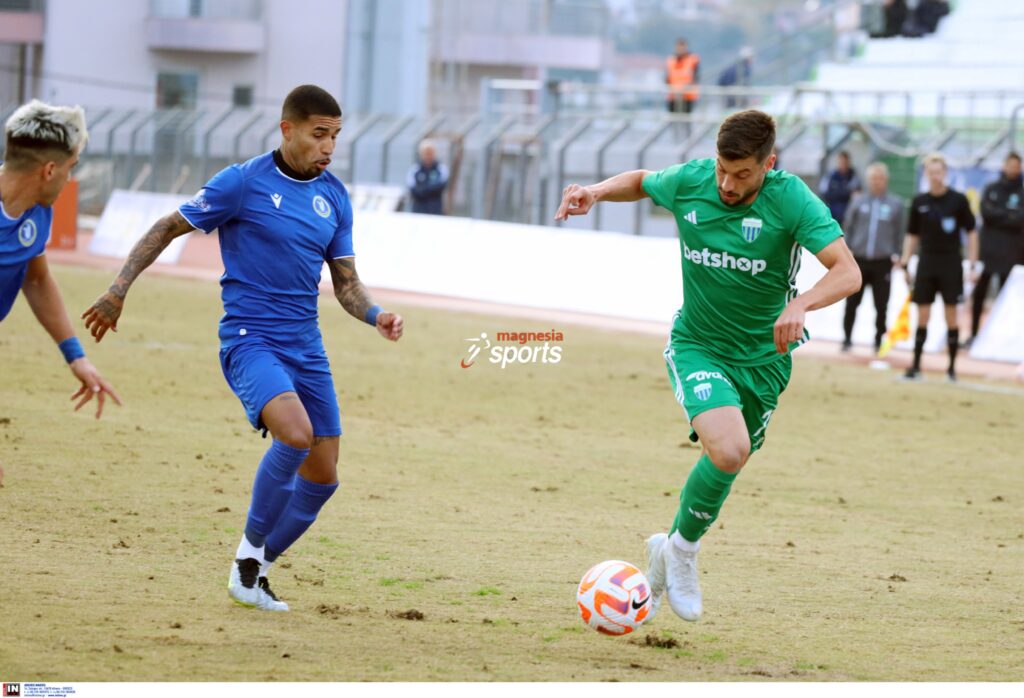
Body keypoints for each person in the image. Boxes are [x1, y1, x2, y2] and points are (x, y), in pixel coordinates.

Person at [81, 85, 404, 612]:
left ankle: (255, 571)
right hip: (251, 339)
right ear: (287, 129)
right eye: (319, 134)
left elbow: (346, 282)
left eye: (335, 136)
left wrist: (376, 314)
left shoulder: (335, 197)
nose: (329, 146)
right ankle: (247, 560)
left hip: (306, 346)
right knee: (295, 435)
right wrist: (118, 290)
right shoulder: (242, 182)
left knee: (323, 478)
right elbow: (167, 226)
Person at [554, 109, 860, 623]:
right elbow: (642, 181)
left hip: (764, 361)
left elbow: (847, 271)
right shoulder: (692, 180)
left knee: (731, 461)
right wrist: (596, 192)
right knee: (730, 448)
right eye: (722, 169)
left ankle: (669, 547)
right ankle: (685, 554)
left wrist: (802, 303)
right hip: (698, 345)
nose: (726, 184)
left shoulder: (791, 199)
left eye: (742, 174)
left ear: (768, 165)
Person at [0, 100, 121, 424]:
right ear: (50, 170)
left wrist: (76, 356)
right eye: (71, 167)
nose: (70, 179)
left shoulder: (39, 213)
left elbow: (36, 280)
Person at [899, 153, 978, 381]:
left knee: (951, 315)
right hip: (926, 262)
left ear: (945, 173)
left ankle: (951, 369)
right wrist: (906, 261)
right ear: (926, 174)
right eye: (931, 172)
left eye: (939, 172)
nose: (935, 176)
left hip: (951, 262)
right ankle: (915, 367)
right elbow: (912, 234)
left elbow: (971, 232)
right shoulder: (919, 201)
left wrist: (973, 264)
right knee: (922, 315)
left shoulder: (958, 200)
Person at [840, 162, 906, 352]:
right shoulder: (858, 201)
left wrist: (898, 254)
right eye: (873, 178)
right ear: (868, 180)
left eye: (880, 178)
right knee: (852, 302)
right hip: (858, 261)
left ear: (886, 180)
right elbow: (848, 227)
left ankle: (878, 341)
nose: (877, 181)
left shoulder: (895, 204)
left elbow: (900, 232)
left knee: (881, 305)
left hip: (883, 262)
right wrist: (847, 250)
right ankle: (846, 339)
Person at [967, 152, 1024, 347]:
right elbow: (986, 213)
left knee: (1005, 297)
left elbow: (1019, 219)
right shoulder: (991, 188)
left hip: (1011, 253)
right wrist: (1008, 215)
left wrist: (1001, 216)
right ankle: (973, 334)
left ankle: (1000, 340)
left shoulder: (1021, 191)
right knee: (979, 294)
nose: (1013, 169)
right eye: (1010, 165)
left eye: (1017, 165)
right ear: (1004, 166)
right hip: (988, 251)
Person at [407, 140, 449, 215]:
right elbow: (413, 190)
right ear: (421, 154)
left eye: (430, 153)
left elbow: (441, 186)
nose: (428, 156)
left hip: (436, 212)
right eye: (426, 153)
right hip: (418, 212)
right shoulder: (415, 169)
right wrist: (429, 189)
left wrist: (423, 189)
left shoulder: (441, 168)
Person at [819, 151, 860, 225]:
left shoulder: (853, 176)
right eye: (841, 162)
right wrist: (847, 193)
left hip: (848, 218)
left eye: (845, 162)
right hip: (832, 216)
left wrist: (837, 193)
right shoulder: (830, 176)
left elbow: (857, 194)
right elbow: (824, 194)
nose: (843, 165)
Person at [666, 38, 700, 115]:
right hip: (673, 95)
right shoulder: (671, 60)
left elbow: (696, 77)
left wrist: (685, 88)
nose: (680, 49)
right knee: (673, 117)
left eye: (682, 46)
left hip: (688, 96)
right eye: (679, 46)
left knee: (686, 118)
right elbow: (667, 77)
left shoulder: (693, 60)